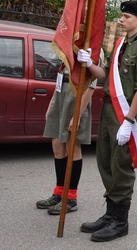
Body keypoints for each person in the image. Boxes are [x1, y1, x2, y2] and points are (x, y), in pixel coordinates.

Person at [78, 1, 137, 242]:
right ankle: (110, 214)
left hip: (125, 113)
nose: (121, 20)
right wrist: (89, 65)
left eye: (126, 17)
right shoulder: (121, 44)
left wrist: (129, 121)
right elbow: (106, 76)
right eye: (121, 16)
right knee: (105, 160)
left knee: (121, 164)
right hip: (109, 108)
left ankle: (120, 221)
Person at [35, 62, 98, 215]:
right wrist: (52, 104)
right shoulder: (68, 48)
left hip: (76, 100)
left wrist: (77, 115)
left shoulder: (91, 48)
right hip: (60, 97)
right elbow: (60, 77)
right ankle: (59, 192)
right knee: (57, 145)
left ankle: (71, 197)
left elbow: (91, 86)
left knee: (72, 147)